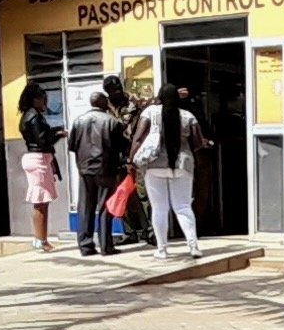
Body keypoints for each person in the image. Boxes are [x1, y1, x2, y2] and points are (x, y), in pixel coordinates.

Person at [130, 84, 209, 260]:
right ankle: (193, 246)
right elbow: (197, 143)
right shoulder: (188, 116)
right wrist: (205, 143)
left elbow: (138, 138)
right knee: (183, 206)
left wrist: (132, 159)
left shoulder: (150, 112)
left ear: (159, 96)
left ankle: (162, 249)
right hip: (182, 165)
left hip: (154, 165)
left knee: (159, 208)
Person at [69, 92, 122, 257]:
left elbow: (72, 146)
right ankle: (106, 246)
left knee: (85, 206)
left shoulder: (78, 121)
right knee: (105, 206)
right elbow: (120, 146)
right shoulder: (112, 121)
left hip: (85, 169)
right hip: (106, 168)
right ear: (103, 103)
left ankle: (85, 245)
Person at [103, 75, 150, 245]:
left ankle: (149, 231)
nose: (117, 93)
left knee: (142, 194)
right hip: (115, 157)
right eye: (112, 91)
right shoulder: (104, 107)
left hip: (135, 154)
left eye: (118, 89)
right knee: (123, 194)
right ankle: (130, 232)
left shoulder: (133, 103)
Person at [18, 81, 63, 252]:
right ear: (35, 99)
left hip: (36, 157)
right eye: (43, 100)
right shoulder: (34, 117)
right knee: (41, 201)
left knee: (42, 201)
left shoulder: (28, 115)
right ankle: (41, 239)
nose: (45, 104)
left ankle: (41, 238)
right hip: (39, 158)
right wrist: (58, 134)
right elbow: (43, 139)